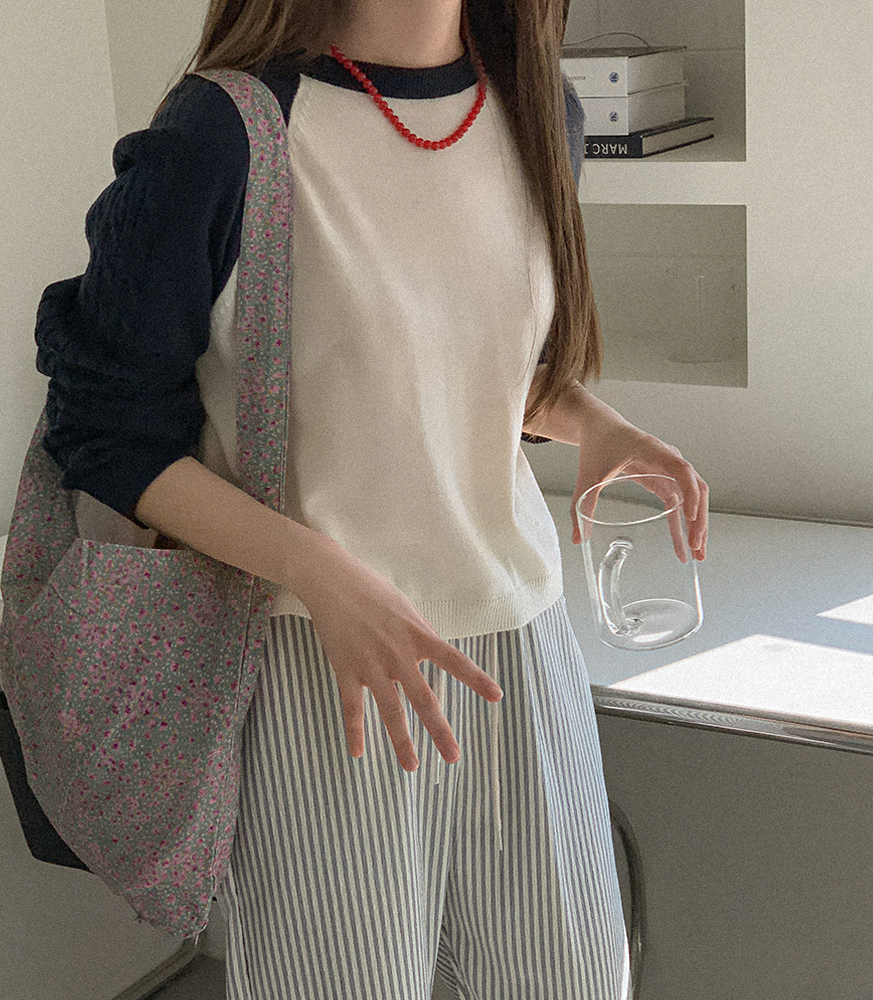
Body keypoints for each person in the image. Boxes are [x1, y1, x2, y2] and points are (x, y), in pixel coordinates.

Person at [35, 0, 709, 996]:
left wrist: (591, 421)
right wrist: (317, 569)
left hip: (523, 642)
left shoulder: (541, 111)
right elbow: (105, 429)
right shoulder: (227, 133)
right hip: (319, 659)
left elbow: (455, 361)